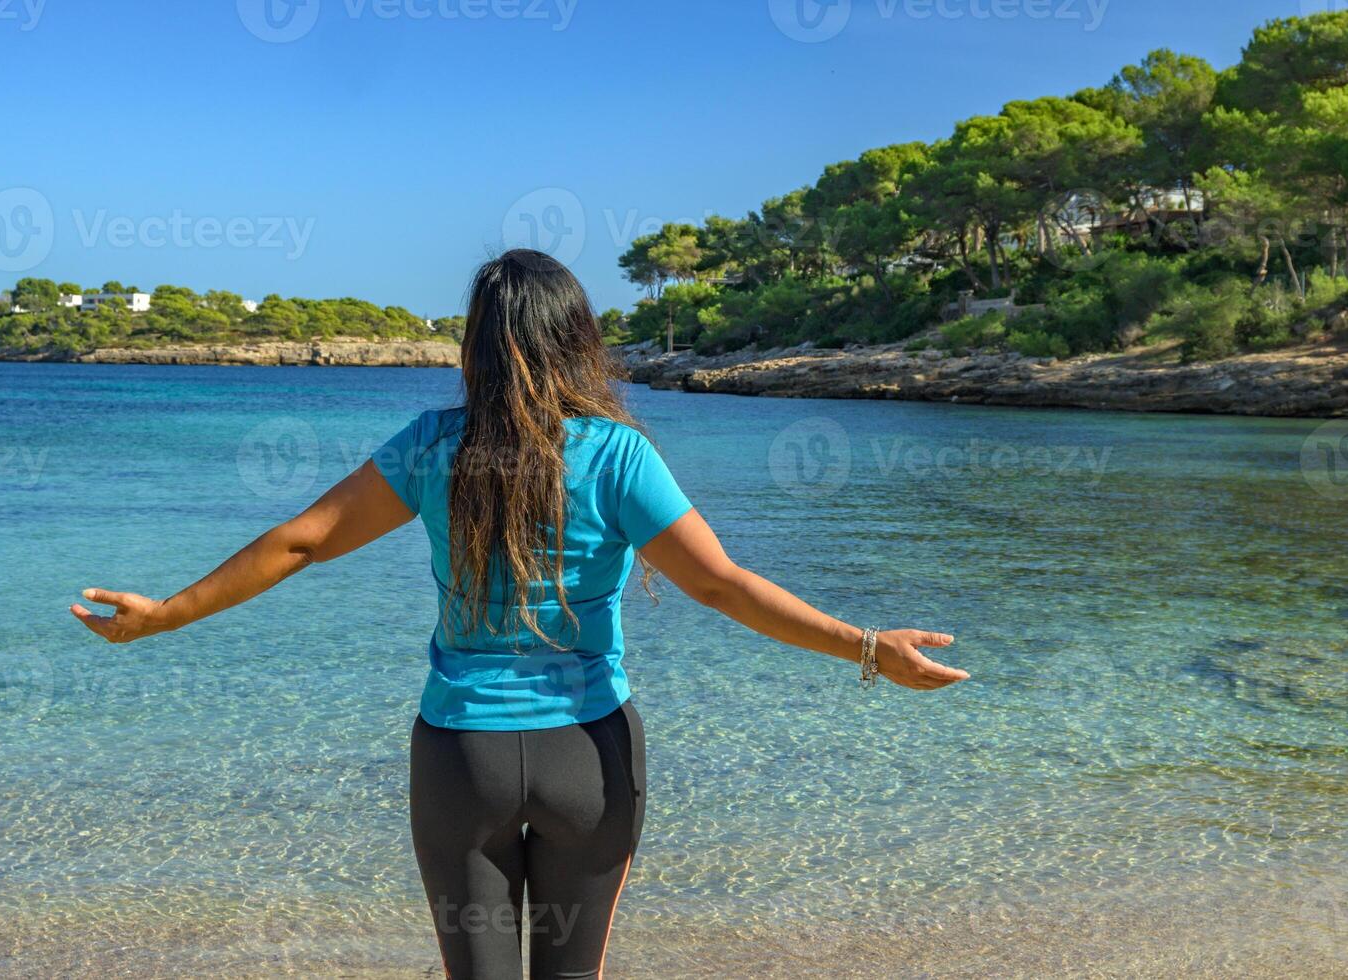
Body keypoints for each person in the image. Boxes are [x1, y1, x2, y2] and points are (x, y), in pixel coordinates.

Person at [70, 249, 967, 980]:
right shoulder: (618, 454)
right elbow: (721, 586)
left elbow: (299, 542)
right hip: (590, 753)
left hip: (463, 758)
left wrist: (165, 615)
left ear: (478, 347)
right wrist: (863, 647)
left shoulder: (432, 445)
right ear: (579, 341)